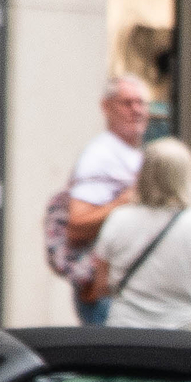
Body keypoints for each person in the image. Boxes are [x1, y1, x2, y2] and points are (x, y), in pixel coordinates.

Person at [89, 138, 191, 328]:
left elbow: (100, 286)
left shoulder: (118, 219)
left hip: (125, 334)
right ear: (186, 177)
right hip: (185, 333)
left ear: (144, 174)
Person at [65, 76, 151, 325]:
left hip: (124, 290)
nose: (136, 110)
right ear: (106, 107)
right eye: (127, 103)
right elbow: (77, 225)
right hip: (106, 293)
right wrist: (125, 202)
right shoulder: (100, 155)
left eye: (141, 103)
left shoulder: (129, 152)